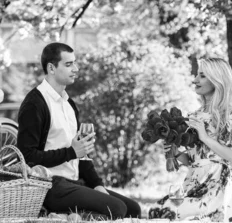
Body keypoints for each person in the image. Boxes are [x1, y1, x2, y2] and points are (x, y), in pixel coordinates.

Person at [16, 42, 141, 219]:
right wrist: (71, 152)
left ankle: (65, 216)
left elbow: (81, 155)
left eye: (75, 63)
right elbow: (26, 157)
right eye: (68, 64)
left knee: (133, 209)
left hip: (75, 183)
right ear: (51, 68)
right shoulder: (34, 104)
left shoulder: (69, 104)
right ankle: (57, 216)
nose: (75, 68)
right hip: (50, 186)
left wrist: (97, 185)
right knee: (117, 209)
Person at [148, 57, 232, 223]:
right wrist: (176, 153)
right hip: (193, 183)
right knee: (156, 211)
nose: (195, 80)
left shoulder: (231, 115)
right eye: (197, 75)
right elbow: (194, 161)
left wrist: (205, 137)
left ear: (217, 80)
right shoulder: (194, 116)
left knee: (172, 214)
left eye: (202, 76)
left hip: (218, 187)